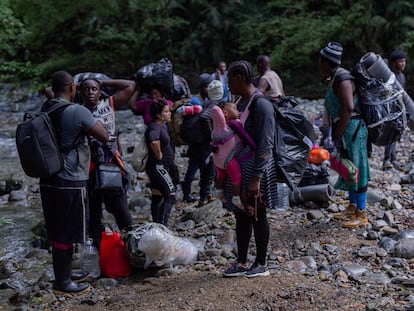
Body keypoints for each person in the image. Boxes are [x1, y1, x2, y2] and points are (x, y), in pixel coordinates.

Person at [39, 71, 108, 293]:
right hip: (70, 179)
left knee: (58, 228)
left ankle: (66, 274)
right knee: (67, 231)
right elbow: (104, 135)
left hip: (48, 177)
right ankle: (63, 282)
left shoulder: (47, 107)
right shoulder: (77, 111)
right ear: (72, 86)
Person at [222, 60, 277, 278]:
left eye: (230, 80)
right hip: (239, 170)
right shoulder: (239, 102)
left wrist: (256, 178)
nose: (228, 85)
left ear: (239, 78)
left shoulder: (260, 105)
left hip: (256, 170)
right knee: (241, 215)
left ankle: (261, 263)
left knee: (258, 215)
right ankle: (242, 261)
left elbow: (266, 143)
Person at [319, 42, 370, 227]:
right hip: (345, 129)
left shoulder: (343, 80)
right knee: (349, 168)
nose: (319, 65)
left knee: (359, 169)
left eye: (320, 61)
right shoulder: (334, 78)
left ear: (326, 62)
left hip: (353, 130)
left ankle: (362, 213)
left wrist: (337, 134)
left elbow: (348, 108)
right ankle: (352, 206)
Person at [80, 78, 135, 249]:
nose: (90, 92)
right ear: (80, 92)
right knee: (93, 216)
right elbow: (50, 91)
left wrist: (102, 81)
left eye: (94, 89)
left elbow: (130, 86)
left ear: (99, 92)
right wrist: (77, 85)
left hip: (111, 166)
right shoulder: (77, 111)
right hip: (88, 171)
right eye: (86, 89)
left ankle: (134, 247)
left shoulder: (108, 104)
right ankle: (98, 253)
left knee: (122, 212)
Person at [211, 102, 256, 209]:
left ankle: (219, 192)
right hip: (229, 159)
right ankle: (236, 198)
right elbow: (244, 135)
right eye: (235, 109)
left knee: (221, 175)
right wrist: (254, 147)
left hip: (218, 159)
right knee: (236, 177)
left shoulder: (218, 126)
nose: (237, 111)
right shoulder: (233, 124)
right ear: (225, 113)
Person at [181, 74, 217, 206]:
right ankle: (188, 194)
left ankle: (203, 193)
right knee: (195, 168)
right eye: (206, 86)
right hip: (199, 142)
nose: (208, 89)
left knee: (201, 168)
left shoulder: (203, 101)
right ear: (202, 88)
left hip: (199, 142)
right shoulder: (196, 102)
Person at [145, 99, 176, 225]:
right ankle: (162, 226)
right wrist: (159, 154)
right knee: (170, 195)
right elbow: (153, 140)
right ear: (158, 114)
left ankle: (156, 226)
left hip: (158, 166)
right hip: (158, 166)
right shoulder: (154, 126)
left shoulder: (161, 125)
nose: (170, 114)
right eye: (167, 112)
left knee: (157, 196)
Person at [382, 50, 407, 170]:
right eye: (400, 61)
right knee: (390, 134)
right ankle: (386, 159)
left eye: (404, 61)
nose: (403, 64)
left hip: (399, 109)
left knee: (397, 134)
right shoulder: (390, 76)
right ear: (394, 63)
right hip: (389, 110)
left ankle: (394, 158)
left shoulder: (402, 76)